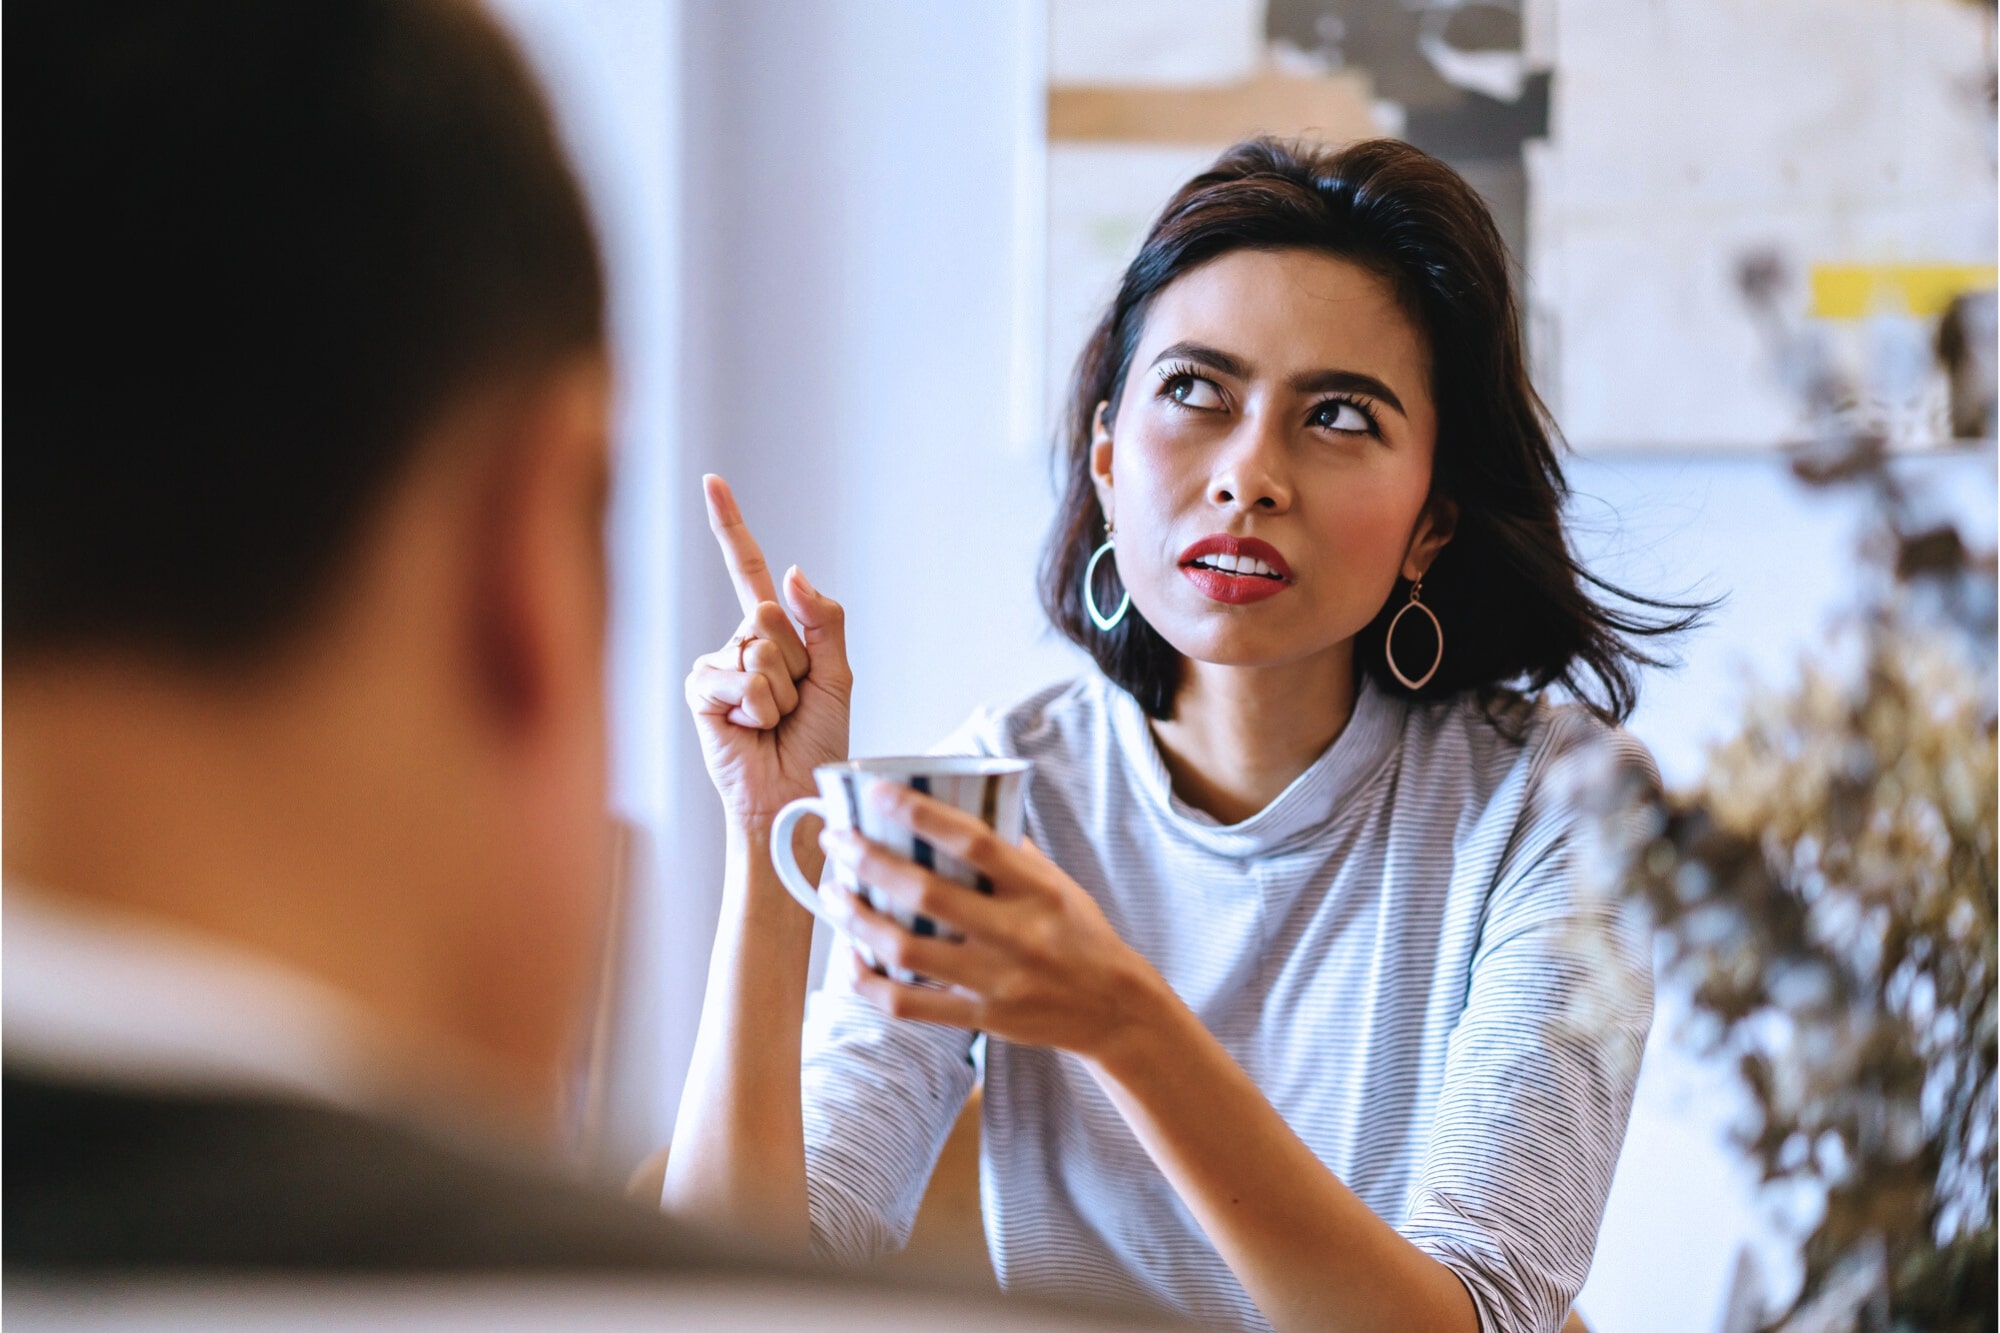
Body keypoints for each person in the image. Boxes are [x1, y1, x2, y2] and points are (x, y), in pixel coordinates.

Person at [663, 138, 1702, 1333]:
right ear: (1105, 460)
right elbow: (727, 1298)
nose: (1250, 475)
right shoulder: (998, 791)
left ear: (1431, 521)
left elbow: (1470, 1320)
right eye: (1196, 392)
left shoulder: (1560, 807)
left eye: (1338, 416)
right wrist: (767, 839)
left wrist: (1122, 1019)